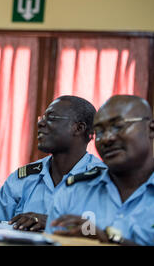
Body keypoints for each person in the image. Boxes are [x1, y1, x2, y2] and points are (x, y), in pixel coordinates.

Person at [0, 95, 106, 231]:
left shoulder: (103, 179)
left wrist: (53, 223)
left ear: (78, 128)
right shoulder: (25, 177)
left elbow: (111, 231)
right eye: (42, 118)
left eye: (51, 118)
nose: (41, 124)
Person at [46, 95, 154, 245]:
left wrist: (109, 241)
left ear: (151, 129)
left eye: (118, 126)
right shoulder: (72, 192)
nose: (107, 138)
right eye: (99, 131)